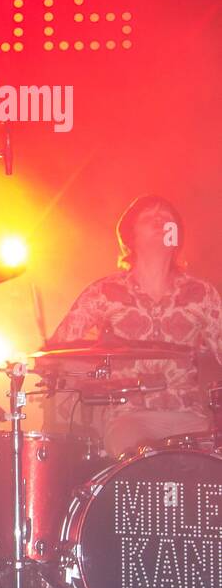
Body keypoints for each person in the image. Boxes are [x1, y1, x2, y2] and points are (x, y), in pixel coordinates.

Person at [49, 195, 222, 457]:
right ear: (129, 237)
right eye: (150, 217)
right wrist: (95, 375)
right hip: (128, 417)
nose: (160, 220)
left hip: (189, 417)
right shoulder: (105, 291)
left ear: (175, 236)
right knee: (137, 458)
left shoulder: (202, 294)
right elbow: (59, 351)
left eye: (166, 217)